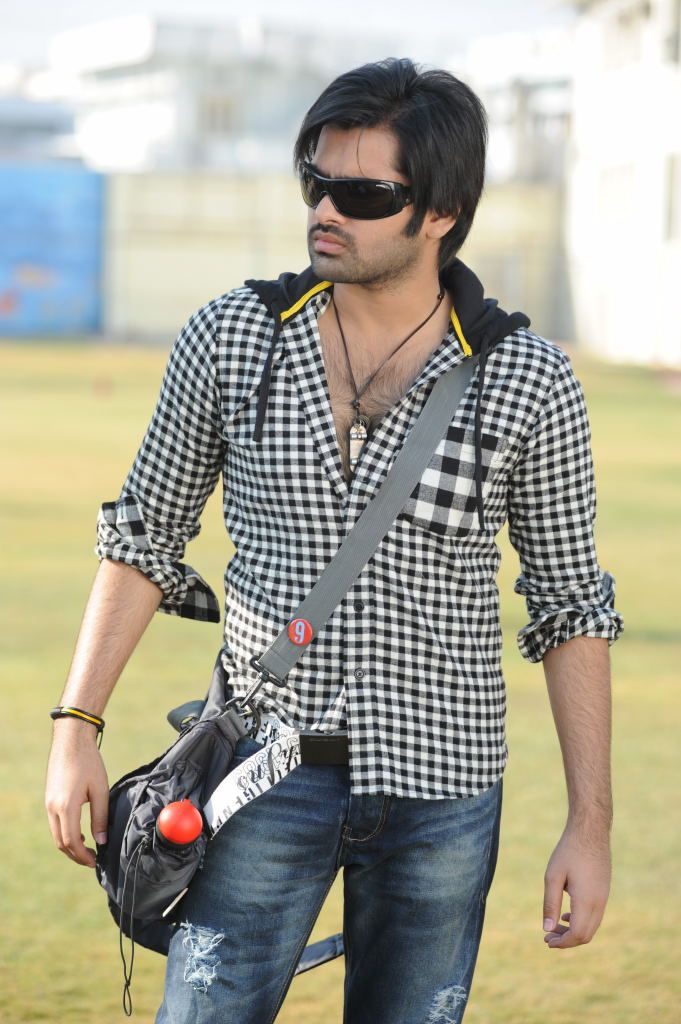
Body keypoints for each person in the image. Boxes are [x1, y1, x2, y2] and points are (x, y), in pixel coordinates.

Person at [45, 57, 624, 1023]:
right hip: (259, 772)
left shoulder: (528, 380)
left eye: (363, 195)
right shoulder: (232, 337)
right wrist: (76, 730)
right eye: (316, 181)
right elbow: (144, 537)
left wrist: (589, 827)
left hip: (444, 789)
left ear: (440, 212)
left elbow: (571, 610)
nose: (325, 209)